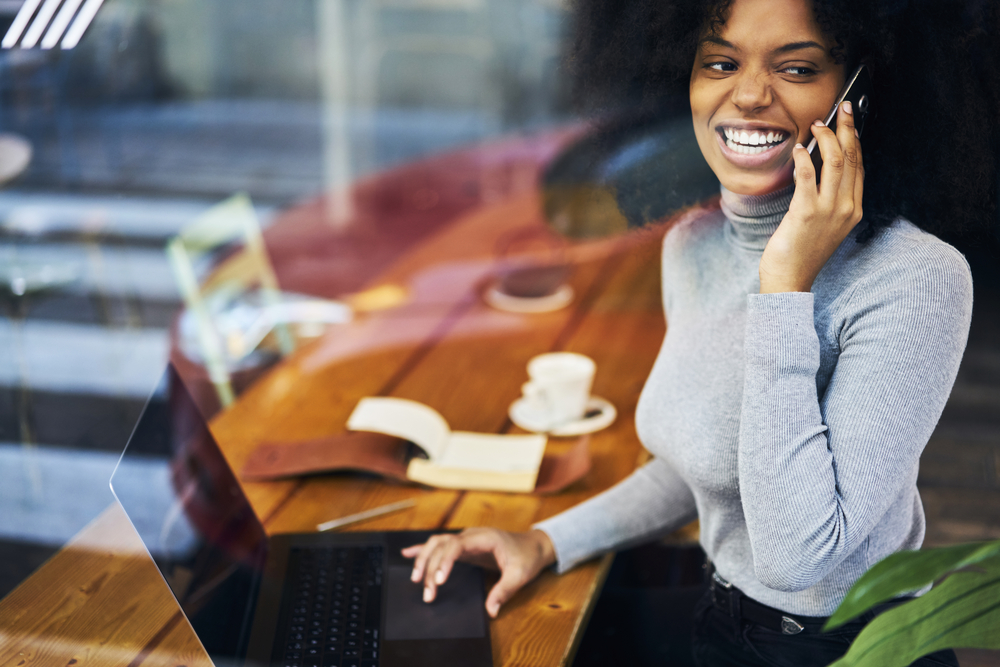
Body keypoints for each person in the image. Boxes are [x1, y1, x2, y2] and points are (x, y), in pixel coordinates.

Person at [402, 0, 1000, 664]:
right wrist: (545, 540)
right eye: (720, 61)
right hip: (721, 626)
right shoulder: (692, 244)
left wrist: (784, 286)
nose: (746, 95)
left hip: (853, 647)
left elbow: (798, 554)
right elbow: (705, 470)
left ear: (861, 91)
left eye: (798, 68)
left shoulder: (916, 278)